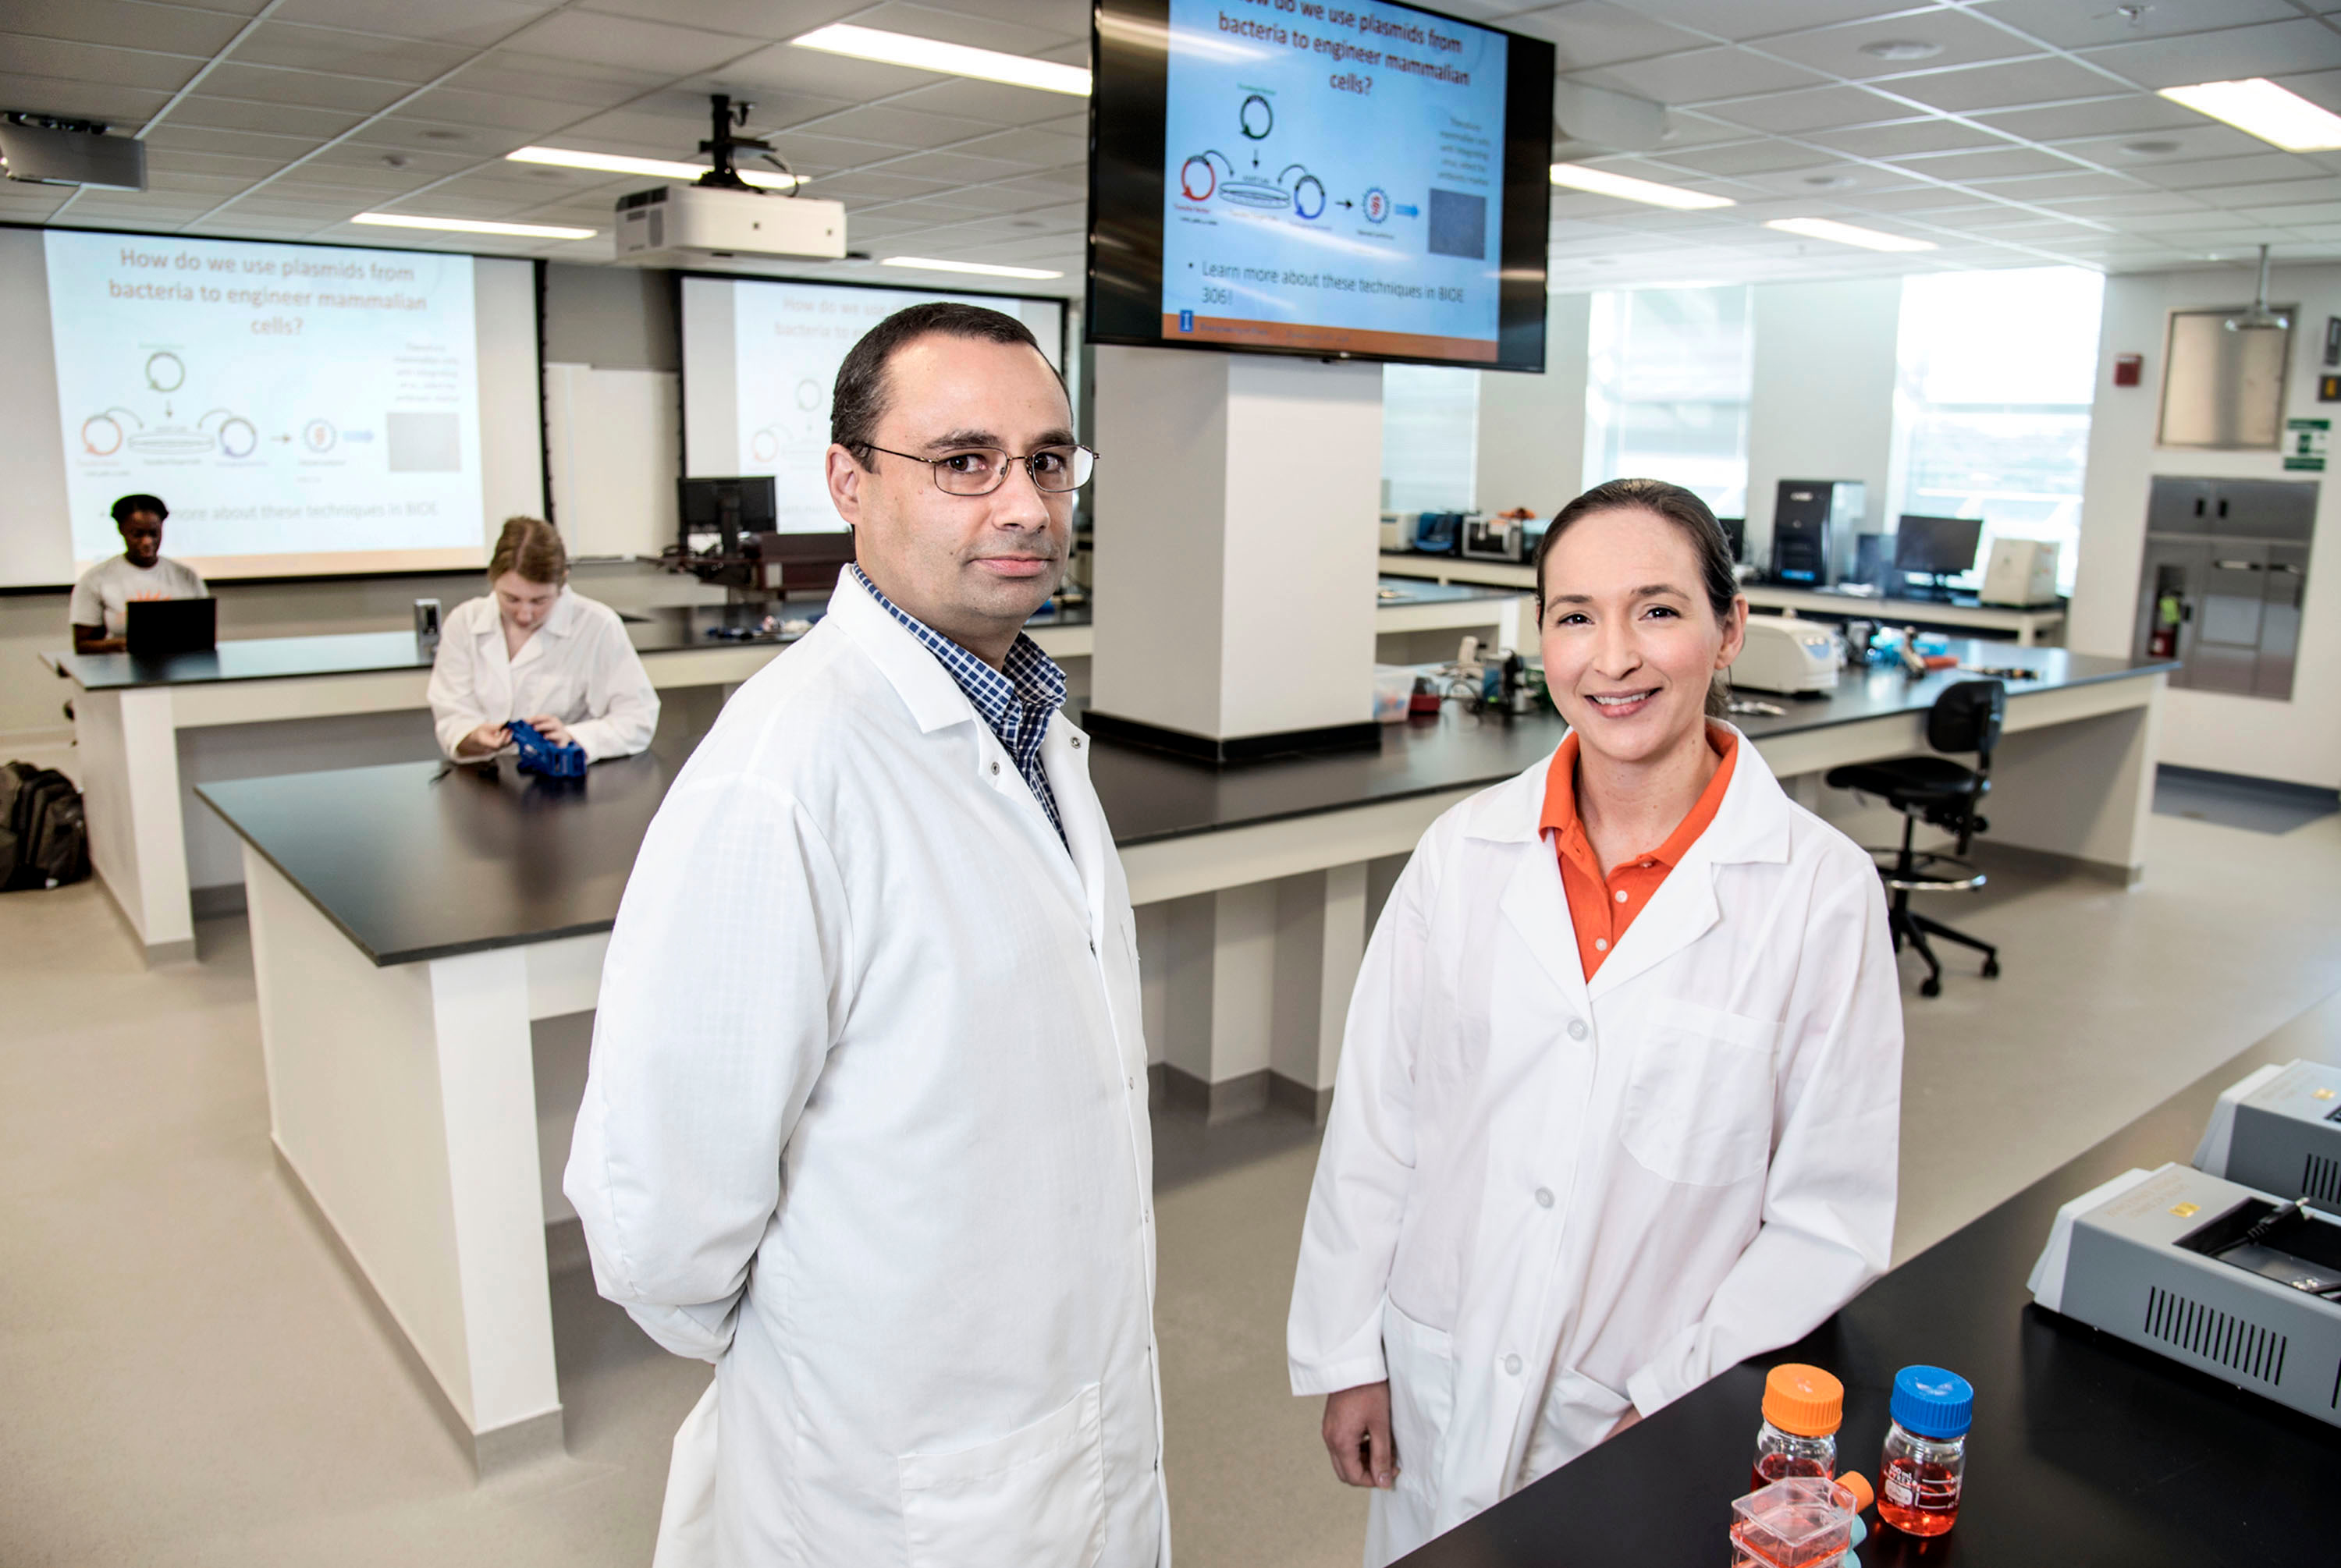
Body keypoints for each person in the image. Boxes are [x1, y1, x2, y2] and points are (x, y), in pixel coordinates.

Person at [565, 303, 1163, 1566]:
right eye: (964, 463)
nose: (1023, 506)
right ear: (848, 481)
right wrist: (832, 1338)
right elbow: (662, 1218)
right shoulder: (785, 771)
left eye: (1049, 461)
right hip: (888, 1459)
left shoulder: (1029, 724)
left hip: (1058, 1396)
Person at [1288, 477, 1903, 1566]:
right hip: (1441, 1372)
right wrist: (1348, 1349)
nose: (1612, 657)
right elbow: (1380, 1128)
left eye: (1657, 609)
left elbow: (1827, 1218)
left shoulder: (1820, 891)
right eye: (1575, 615)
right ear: (1541, 639)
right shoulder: (1462, 852)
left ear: (1729, 630)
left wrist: (1678, 1402)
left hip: (1639, 1410)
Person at [426, 516, 658, 763]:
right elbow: (452, 716)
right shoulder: (464, 622)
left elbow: (637, 720)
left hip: (565, 782)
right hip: (483, 778)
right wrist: (471, 737)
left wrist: (570, 736)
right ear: (492, 578)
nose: (524, 615)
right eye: (511, 599)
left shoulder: (597, 625)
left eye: (539, 601)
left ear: (562, 582)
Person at [69, 494, 208, 654]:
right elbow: (83, 645)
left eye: (154, 533)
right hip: (118, 671)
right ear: (121, 530)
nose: (147, 542)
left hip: (181, 667)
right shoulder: (96, 579)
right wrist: (127, 644)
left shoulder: (186, 576)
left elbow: (203, 635)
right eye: (138, 534)